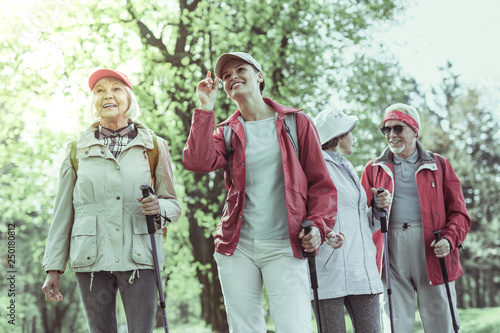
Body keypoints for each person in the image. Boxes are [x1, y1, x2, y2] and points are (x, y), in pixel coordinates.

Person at [183, 52, 338, 333]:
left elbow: (321, 185)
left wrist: (318, 226)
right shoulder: (226, 132)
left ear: (259, 76)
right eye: (226, 76)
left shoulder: (296, 123)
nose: (232, 78)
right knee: (244, 329)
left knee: (295, 326)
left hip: (285, 244)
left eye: (240, 69)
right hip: (237, 247)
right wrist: (205, 109)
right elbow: (197, 161)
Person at [41, 69, 182, 333]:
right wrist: (53, 267)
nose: (108, 95)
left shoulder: (153, 145)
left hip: (140, 257)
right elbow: (63, 213)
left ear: (129, 99)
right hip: (91, 259)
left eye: (116, 88)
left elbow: (173, 204)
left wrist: (159, 207)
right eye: (99, 90)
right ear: (93, 102)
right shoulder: (76, 149)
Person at [360, 103, 471, 333]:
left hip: (432, 246)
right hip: (391, 248)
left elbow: (460, 213)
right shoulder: (373, 169)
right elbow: (360, 216)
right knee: (395, 323)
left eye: (398, 128)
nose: (391, 135)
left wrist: (449, 240)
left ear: (413, 129)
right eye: (386, 130)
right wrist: (376, 205)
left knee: (442, 322)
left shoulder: (439, 165)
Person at [312, 107, 391, 332]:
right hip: (329, 269)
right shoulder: (316, 169)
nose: (353, 137)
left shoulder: (347, 167)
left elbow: (359, 222)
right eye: (350, 132)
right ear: (338, 136)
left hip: (361, 270)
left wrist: (376, 207)